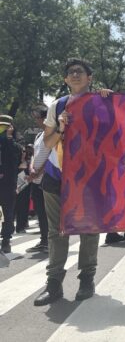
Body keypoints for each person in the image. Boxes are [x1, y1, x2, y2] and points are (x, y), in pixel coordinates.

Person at [34, 59, 111, 306]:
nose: (75, 74)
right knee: (56, 232)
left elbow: (115, 134)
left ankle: (87, 279)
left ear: (90, 77)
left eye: (80, 71)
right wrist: (61, 128)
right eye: (70, 72)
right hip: (57, 177)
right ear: (66, 79)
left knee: (89, 228)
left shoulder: (103, 102)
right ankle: (53, 284)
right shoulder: (57, 106)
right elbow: (48, 143)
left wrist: (111, 101)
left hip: (90, 178)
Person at [26, 104, 51, 253]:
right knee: (40, 211)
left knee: (48, 212)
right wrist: (31, 168)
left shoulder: (52, 134)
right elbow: (35, 155)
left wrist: (39, 171)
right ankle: (43, 240)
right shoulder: (38, 135)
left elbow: (52, 157)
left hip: (47, 178)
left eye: (38, 118)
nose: (36, 121)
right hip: (35, 179)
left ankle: (49, 241)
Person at [0, 115, 20, 254]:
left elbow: (17, 155)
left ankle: (6, 240)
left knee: (8, 212)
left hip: (8, 183)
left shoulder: (14, 141)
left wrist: (9, 137)